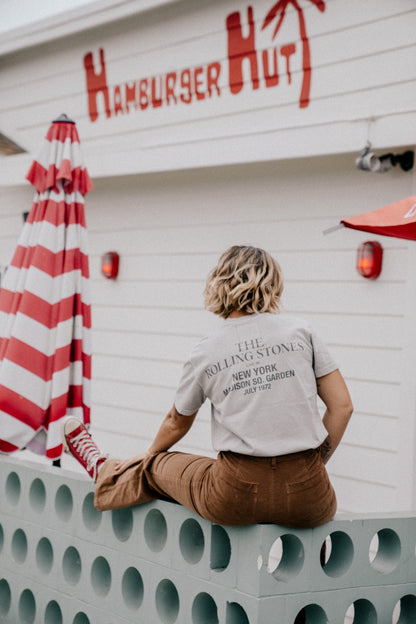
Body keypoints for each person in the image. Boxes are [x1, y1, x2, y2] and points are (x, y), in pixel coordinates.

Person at [62, 245, 353, 528]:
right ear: (273, 284)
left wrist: (148, 454)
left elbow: (176, 423)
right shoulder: (301, 331)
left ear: (219, 283)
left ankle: (104, 470)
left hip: (234, 497)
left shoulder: (207, 349)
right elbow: (342, 407)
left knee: (155, 466)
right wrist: (315, 462)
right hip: (309, 498)